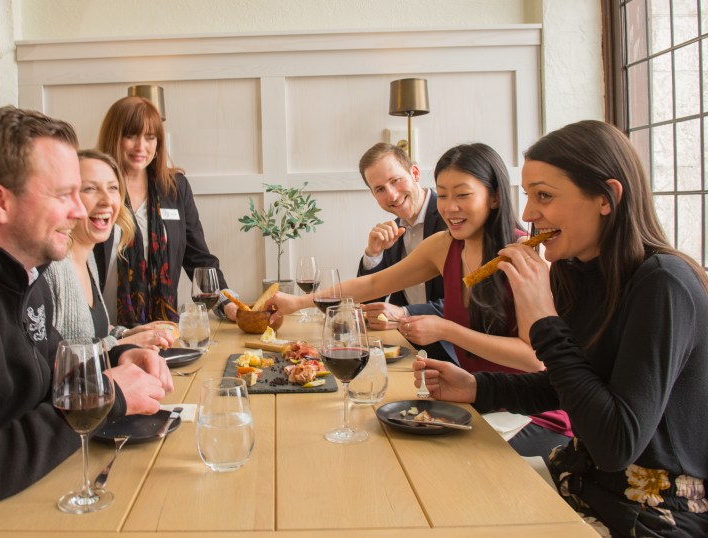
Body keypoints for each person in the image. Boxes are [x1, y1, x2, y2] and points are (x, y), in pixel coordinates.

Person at [415, 121, 708, 536]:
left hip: (650, 513)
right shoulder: (579, 271)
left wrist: (544, 319)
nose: (530, 214)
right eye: (530, 196)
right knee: (435, 490)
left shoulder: (664, 283)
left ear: (607, 197)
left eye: (545, 196)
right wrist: (476, 387)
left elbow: (615, 445)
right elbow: (564, 386)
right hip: (580, 479)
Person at [0, 107, 174, 537]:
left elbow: (55, 375)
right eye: (63, 194)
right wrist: (107, 394)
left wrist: (125, 353)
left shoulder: (22, 274)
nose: (78, 210)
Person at [271, 143, 572, 457]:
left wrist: (446, 329)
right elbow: (373, 282)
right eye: (442, 195)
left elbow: (533, 358)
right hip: (475, 402)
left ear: (494, 196)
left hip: (530, 415)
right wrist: (297, 303)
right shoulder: (443, 245)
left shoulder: (528, 257)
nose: (449, 207)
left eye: (462, 194)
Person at [94, 96, 240, 325]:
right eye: (131, 135)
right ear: (114, 136)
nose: (141, 147)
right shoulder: (93, 190)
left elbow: (198, 258)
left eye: (150, 137)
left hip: (162, 330)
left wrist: (230, 304)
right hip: (107, 331)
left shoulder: (175, 188)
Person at [44, 150, 179, 349]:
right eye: (90, 189)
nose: (107, 200)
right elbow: (51, 358)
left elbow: (92, 331)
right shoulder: (51, 267)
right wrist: (122, 343)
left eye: (113, 188)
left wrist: (125, 332)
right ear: (66, 197)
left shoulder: (87, 256)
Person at [355, 143, 455, 363]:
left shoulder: (453, 219)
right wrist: (374, 254)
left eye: (395, 180)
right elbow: (367, 305)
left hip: (454, 352)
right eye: (380, 189)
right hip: (407, 349)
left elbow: (465, 302)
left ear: (415, 173)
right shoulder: (392, 232)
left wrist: (404, 312)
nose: (391, 195)